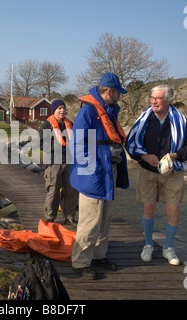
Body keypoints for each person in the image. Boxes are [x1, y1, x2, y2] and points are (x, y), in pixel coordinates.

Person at [126, 84, 187, 265]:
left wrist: (176, 155)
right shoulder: (143, 119)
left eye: (158, 98)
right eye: (152, 98)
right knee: (148, 208)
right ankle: (148, 245)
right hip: (148, 171)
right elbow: (131, 142)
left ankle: (169, 248)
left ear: (168, 101)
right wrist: (144, 155)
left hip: (172, 171)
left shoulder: (180, 120)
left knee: (172, 208)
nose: (154, 101)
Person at [69, 73, 129, 280]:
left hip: (107, 171)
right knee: (90, 220)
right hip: (93, 173)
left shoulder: (109, 111)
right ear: (110, 91)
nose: (120, 97)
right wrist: (103, 157)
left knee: (105, 218)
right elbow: (78, 145)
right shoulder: (87, 111)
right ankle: (80, 261)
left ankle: (98, 256)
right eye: (119, 93)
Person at [38, 100, 78, 225]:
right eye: (59, 108)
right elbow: (41, 144)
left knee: (71, 190)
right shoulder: (46, 125)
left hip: (70, 162)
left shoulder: (70, 124)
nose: (62, 110)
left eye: (63, 108)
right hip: (54, 162)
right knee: (53, 191)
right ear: (54, 110)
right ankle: (50, 217)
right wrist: (58, 146)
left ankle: (70, 216)